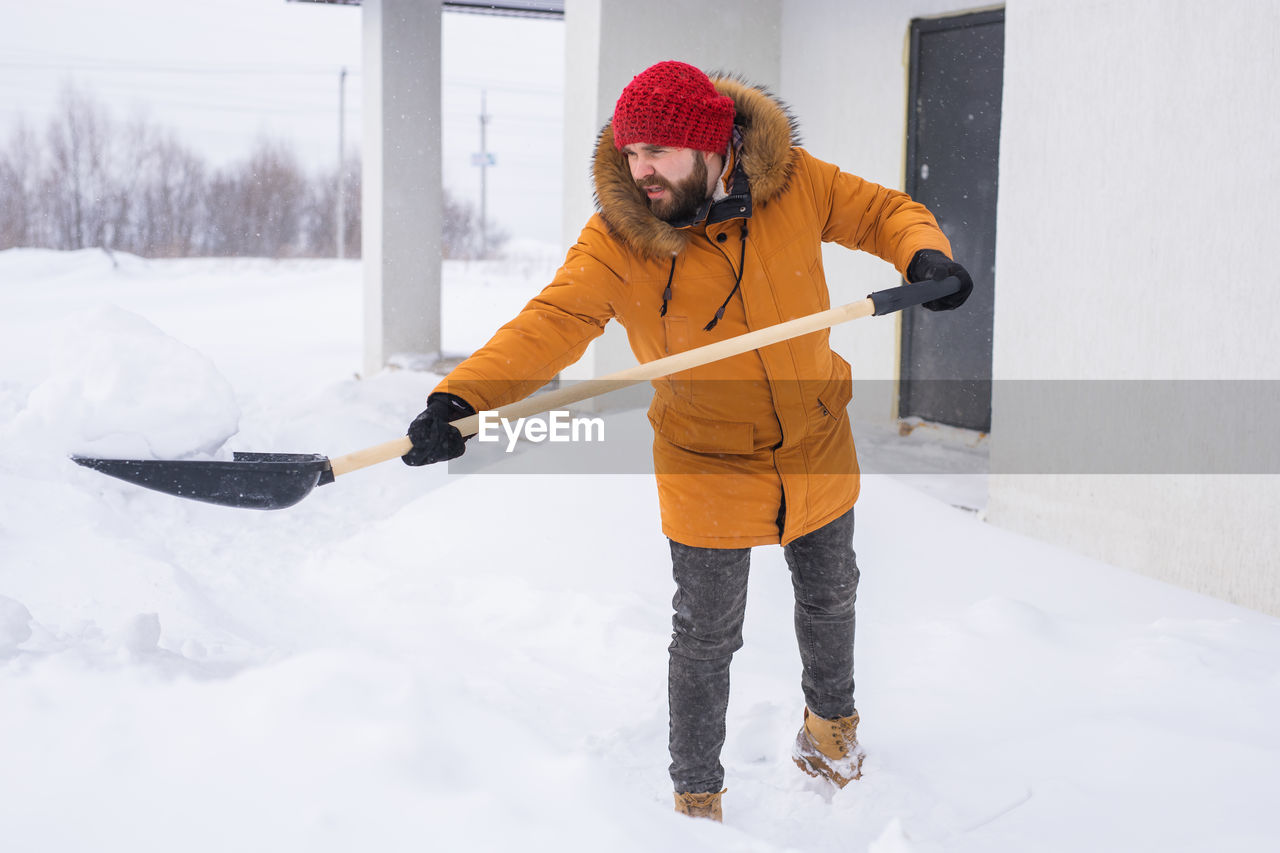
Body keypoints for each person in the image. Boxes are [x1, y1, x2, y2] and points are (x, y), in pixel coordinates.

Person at [402, 60, 972, 821]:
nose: (642, 171)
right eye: (633, 153)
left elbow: (880, 212)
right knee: (706, 637)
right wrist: (462, 396)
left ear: (713, 146)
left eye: (659, 153)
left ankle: (830, 733)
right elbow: (553, 322)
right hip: (705, 456)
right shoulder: (620, 240)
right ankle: (696, 794)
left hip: (814, 435)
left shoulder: (795, 183)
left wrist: (922, 252)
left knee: (833, 598)